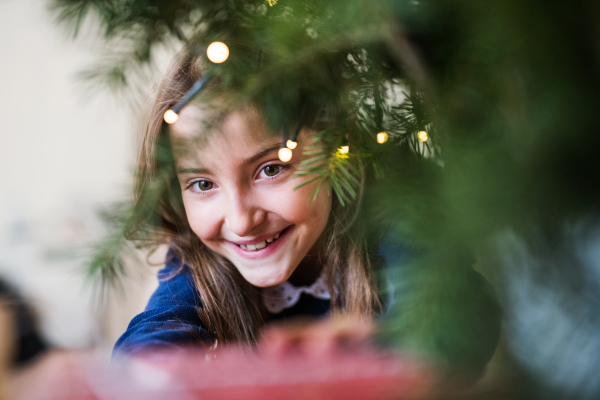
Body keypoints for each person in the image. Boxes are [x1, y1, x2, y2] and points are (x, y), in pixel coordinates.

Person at [113, 52, 500, 381]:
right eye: (202, 184)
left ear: (336, 149)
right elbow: (157, 333)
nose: (241, 221)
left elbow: (458, 317)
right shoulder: (197, 260)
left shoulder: (390, 222)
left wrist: (369, 351)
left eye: (270, 169)